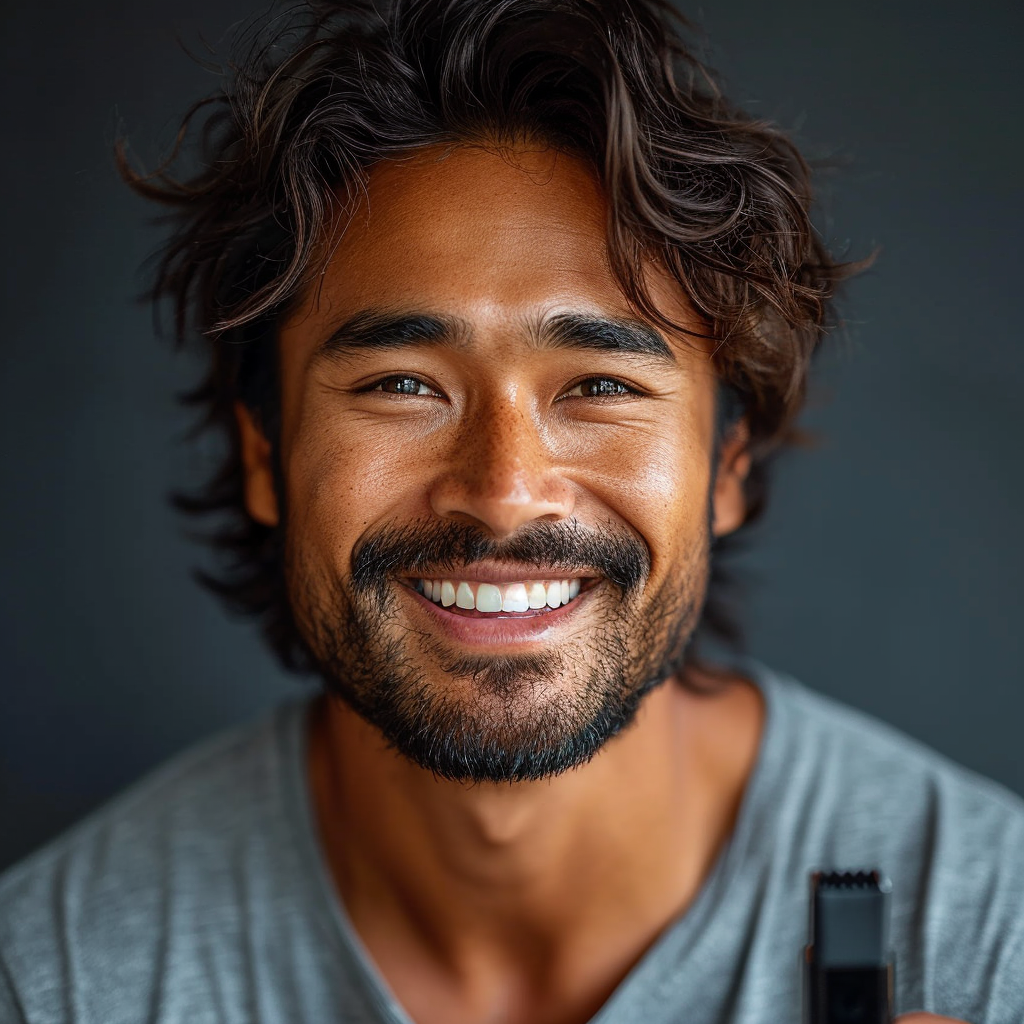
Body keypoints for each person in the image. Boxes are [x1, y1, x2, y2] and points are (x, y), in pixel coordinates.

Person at [0, 0, 1020, 1021]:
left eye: (600, 385)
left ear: (727, 468)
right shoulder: (60, 974)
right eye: (402, 384)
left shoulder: (990, 938)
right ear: (264, 456)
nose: (502, 490)